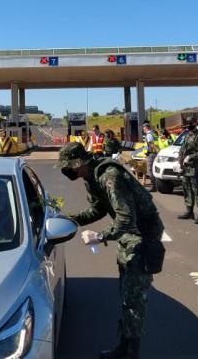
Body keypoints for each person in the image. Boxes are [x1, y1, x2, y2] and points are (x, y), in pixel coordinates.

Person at [59, 142, 164, 359]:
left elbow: (126, 218)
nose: (67, 171)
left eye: (69, 167)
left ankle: (130, 353)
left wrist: (99, 237)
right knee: (126, 294)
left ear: (78, 163)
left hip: (142, 236)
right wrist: (71, 219)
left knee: (133, 298)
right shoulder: (91, 178)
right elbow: (98, 209)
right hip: (128, 236)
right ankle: (124, 347)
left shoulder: (109, 176)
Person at [177, 118, 198, 223]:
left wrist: (190, 157)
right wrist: (180, 162)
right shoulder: (186, 136)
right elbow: (182, 150)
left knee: (197, 191)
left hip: (195, 168)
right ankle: (189, 212)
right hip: (186, 168)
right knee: (187, 189)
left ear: (195, 123)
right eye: (187, 124)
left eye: (190, 123)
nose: (188, 125)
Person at [142, 122, 158, 190]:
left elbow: (151, 143)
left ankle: (153, 186)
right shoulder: (153, 133)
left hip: (151, 154)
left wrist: (157, 150)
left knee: (150, 170)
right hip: (153, 153)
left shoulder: (149, 135)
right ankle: (156, 185)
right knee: (154, 170)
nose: (143, 129)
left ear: (146, 128)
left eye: (143, 128)